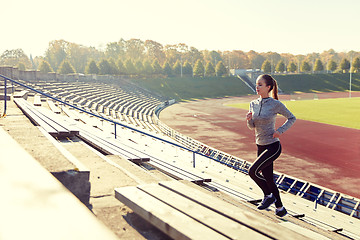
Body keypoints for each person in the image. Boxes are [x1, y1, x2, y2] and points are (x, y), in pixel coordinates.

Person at [246, 74, 296, 217]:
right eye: (256, 84)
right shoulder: (253, 104)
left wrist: (280, 130)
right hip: (260, 145)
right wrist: (249, 120)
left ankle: (268, 195)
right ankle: (280, 208)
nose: (257, 87)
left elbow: (292, 118)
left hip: (273, 146)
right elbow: (252, 127)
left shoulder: (275, 104)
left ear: (268, 87)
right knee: (268, 179)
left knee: (252, 171)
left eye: (260, 84)